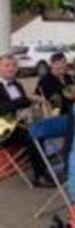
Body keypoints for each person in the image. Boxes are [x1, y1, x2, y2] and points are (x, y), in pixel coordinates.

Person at [0, 54, 53, 187]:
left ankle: (44, 169)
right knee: (33, 135)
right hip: (3, 130)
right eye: (7, 65)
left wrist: (35, 106)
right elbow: (4, 108)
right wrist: (28, 99)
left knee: (41, 129)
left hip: (19, 125)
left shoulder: (17, 84)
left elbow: (23, 105)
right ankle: (40, 176)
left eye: (14, 65)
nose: (11, 68)